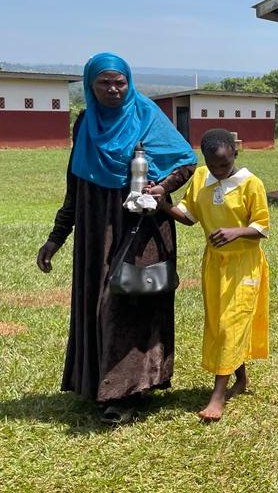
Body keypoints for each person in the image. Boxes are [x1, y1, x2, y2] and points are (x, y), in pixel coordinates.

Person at [35, 52, 197, 424]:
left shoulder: (146, 115)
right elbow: (74, 188)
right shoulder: (85, 125)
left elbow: (185, 160)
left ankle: (126, 393)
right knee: (98, 304)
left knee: (129, 305)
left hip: (142, 233)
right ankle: (98, 384)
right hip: (96, 233)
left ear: (130, 82)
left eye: (119, 82)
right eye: (104, 83)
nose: (113, 90)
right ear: (90, 86)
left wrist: (162, 188)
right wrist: (55, 238)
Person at [154, 129, 270, 422]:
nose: (219, 171)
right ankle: (240, 379)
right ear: (204, 159)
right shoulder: (202, 179)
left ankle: (218, 395)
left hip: (244, 264)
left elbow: (261, 228)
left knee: (232, 323)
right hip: (214, 265)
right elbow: (188, 216)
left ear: (235, 153)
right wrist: (163, 203)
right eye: (213, 165)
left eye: (225, 164)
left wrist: (236, 231)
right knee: (220, 325)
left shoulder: (251, 184)